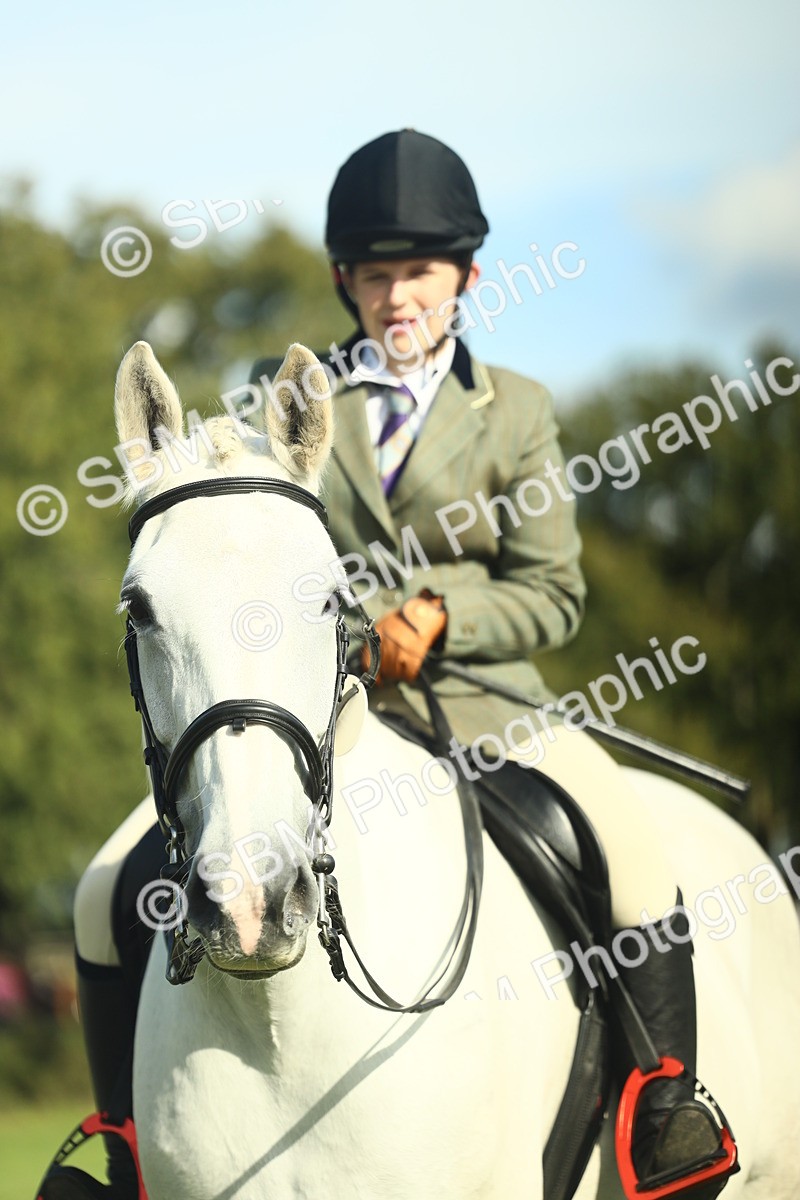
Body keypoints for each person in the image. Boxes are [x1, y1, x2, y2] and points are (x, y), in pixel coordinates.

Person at [42, 130, 731, 1200]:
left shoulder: (518, 413)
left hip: (486, 705)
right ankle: (125, 1142)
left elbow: (551, 594)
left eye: (419, 272)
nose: (397, 296)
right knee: (100, 892)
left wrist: (435, 616)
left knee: (627, 846)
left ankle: (664, 1104)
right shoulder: (286, 393)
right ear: (345, 283)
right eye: (375, 274)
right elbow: (244, 550)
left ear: (465, 279)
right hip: (328, 716)